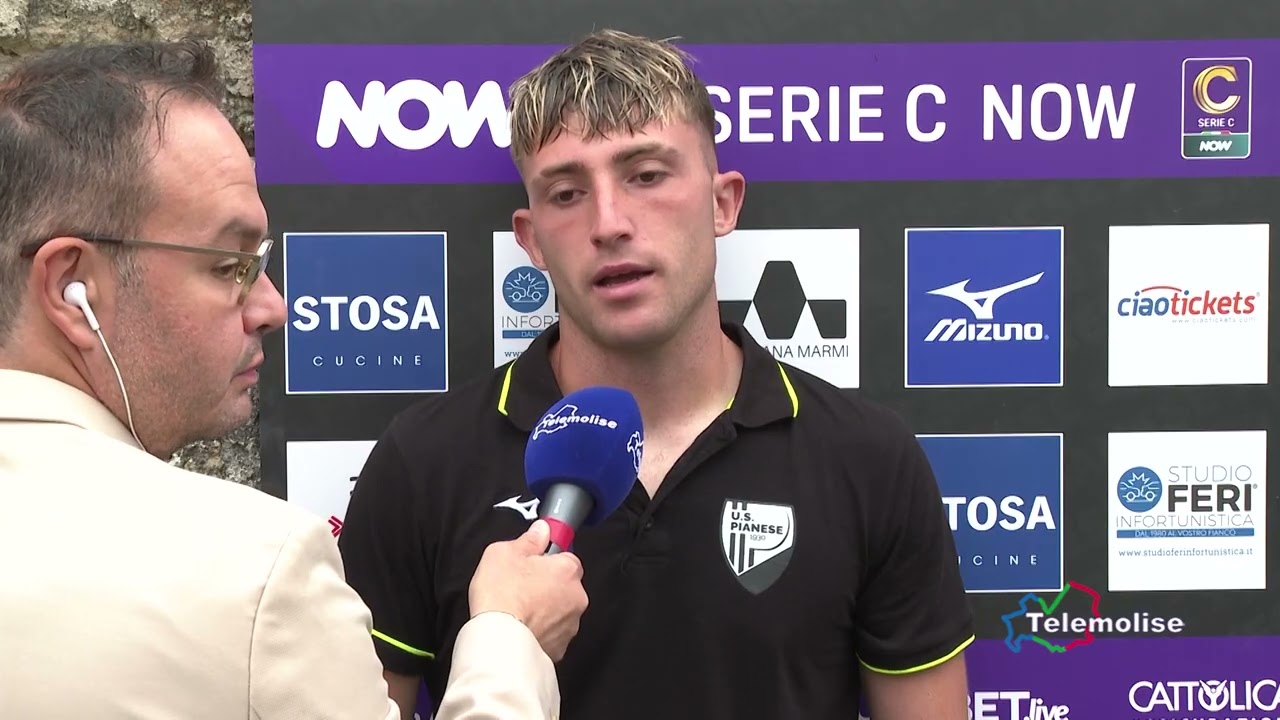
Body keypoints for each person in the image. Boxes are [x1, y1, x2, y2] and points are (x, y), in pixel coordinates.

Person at [338, 28, 974, 720]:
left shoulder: (867, 456)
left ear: (723, 203)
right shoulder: (423, 460)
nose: (609, 223)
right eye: (566, 193)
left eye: (646, 175)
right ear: (531, 239)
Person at [0, 38, 586, 720]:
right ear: (72, 286)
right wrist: (509, 639)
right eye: (229, 265)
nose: (274, 306)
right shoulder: (256, 571)